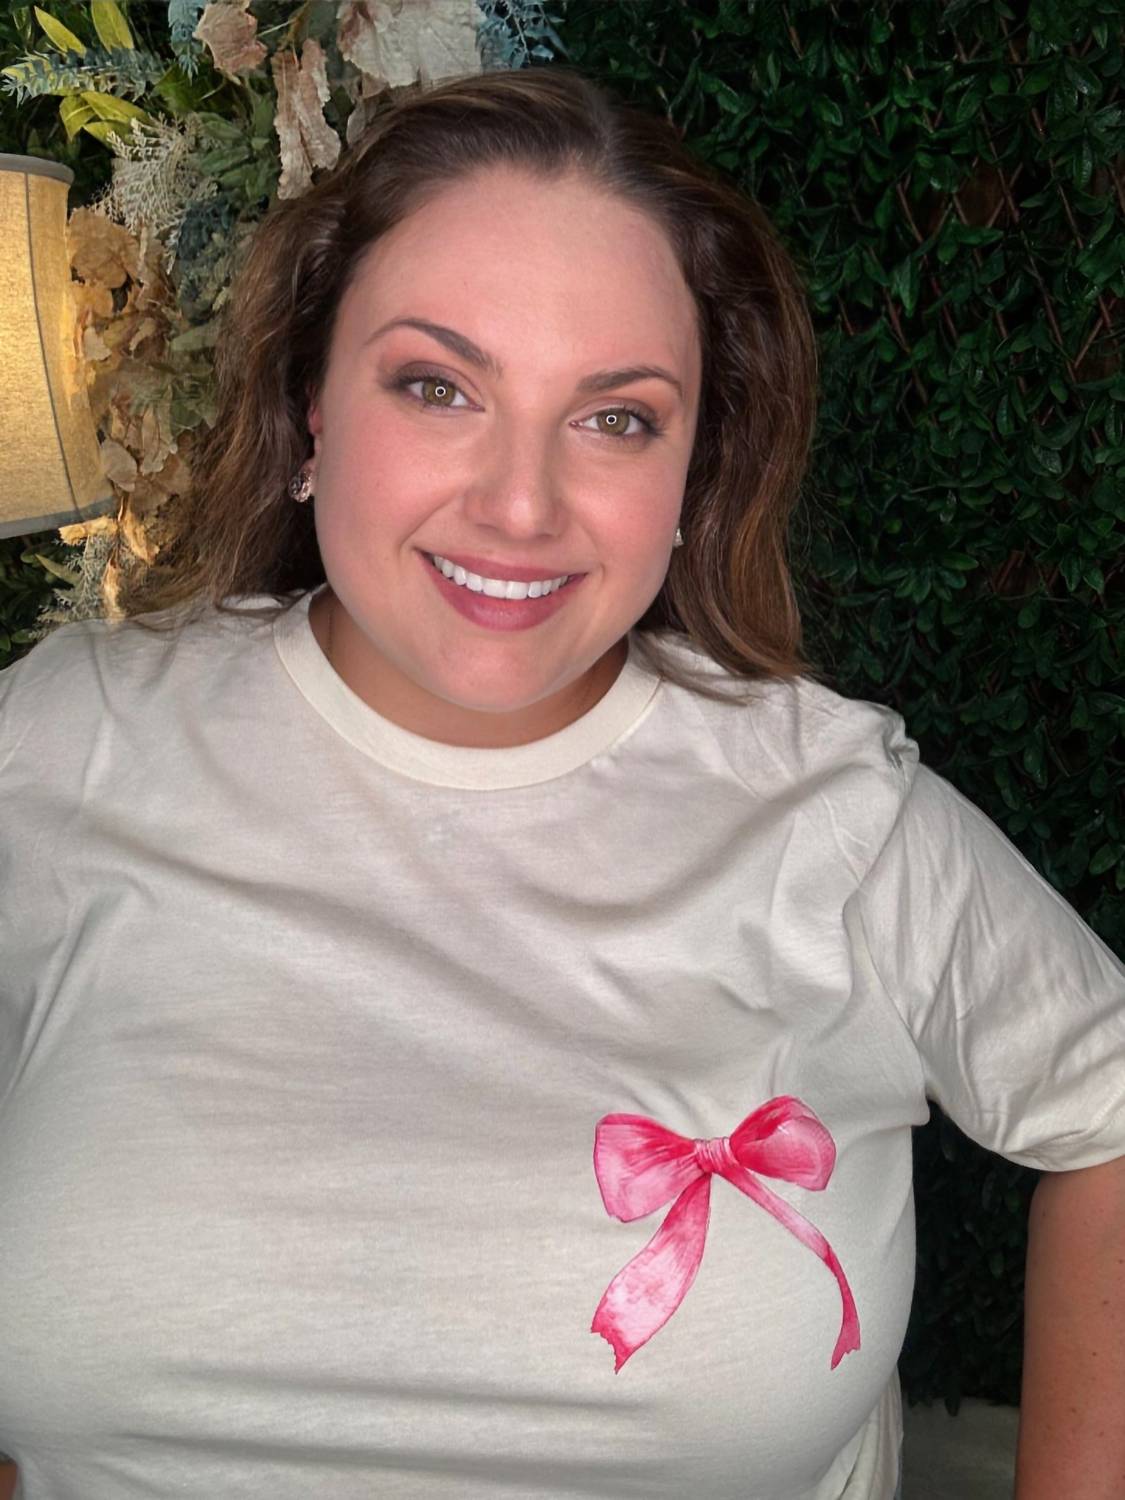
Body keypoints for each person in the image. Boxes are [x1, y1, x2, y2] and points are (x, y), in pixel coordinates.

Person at [0, 63, 1122, 1500]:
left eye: (616, 418)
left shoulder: (833, 814)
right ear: (310, 402)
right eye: (436, 386)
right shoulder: (70, 739)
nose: (519, 506)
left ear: (696, 468)